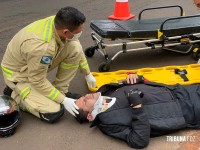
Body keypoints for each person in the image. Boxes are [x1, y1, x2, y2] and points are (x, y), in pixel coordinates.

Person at [1, 6, 96, 123]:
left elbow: (75, 43)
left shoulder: (57, 22)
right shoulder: (42, 48)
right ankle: (15, 94)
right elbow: (37, 80)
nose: (80, 34)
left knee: (74, 47)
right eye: (78, 32)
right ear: (65, 31)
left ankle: (59, 90)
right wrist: (63, 101)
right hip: (19, 75)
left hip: (32, 64)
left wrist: (87, 73)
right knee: (54, 112)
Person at [75, 73, 200, 149]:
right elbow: (138, 141)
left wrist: (137, 78)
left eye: (83, 97)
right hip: (188, 109)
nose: (86, 96)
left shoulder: (108, 90)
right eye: (85, 102)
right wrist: (136, 107)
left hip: (180, 90)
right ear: (90, 116)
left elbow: (147, 85)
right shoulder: (108, 123)